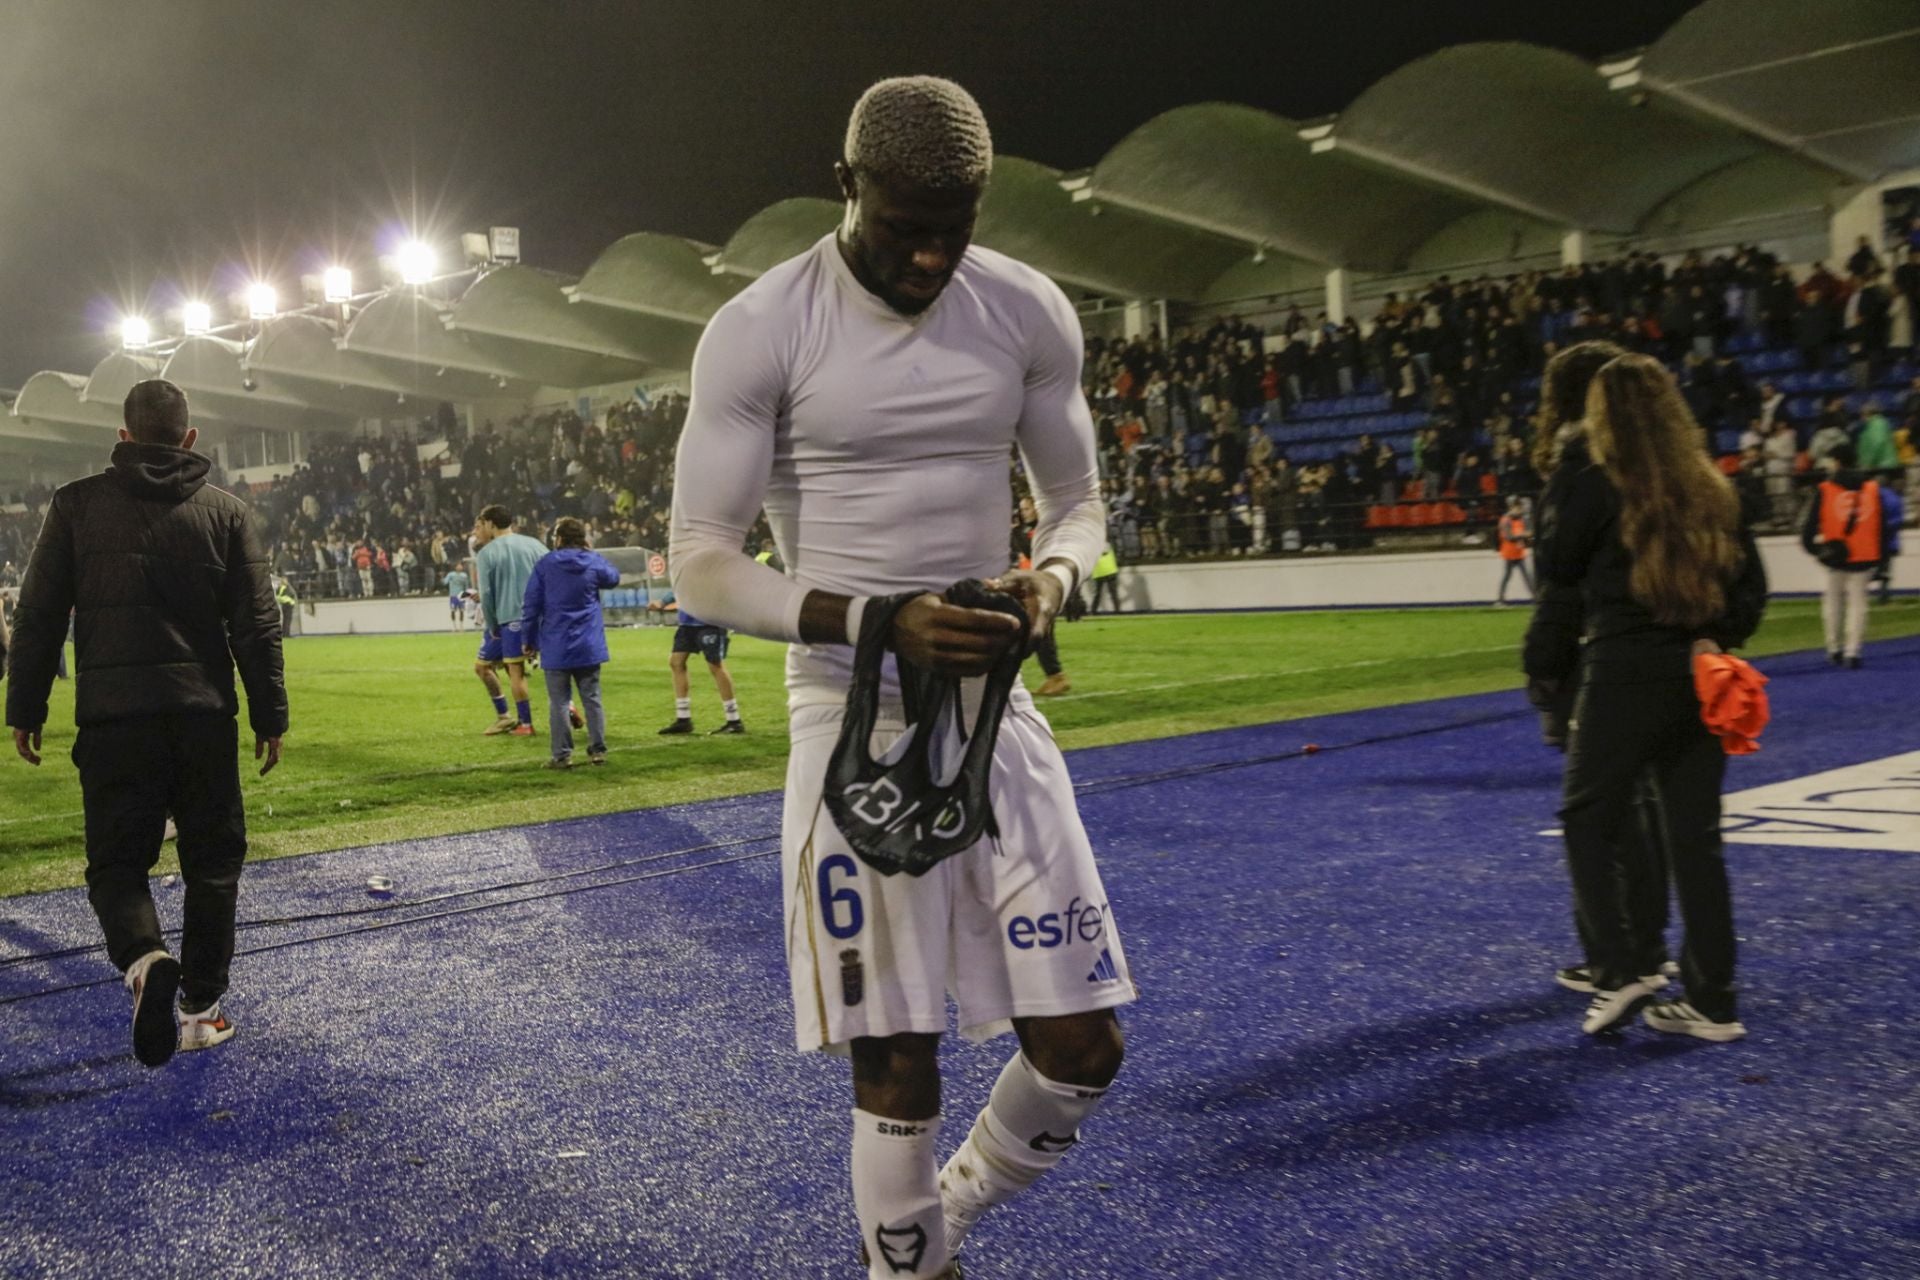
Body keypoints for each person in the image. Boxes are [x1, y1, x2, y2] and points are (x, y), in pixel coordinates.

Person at [668, 78, 1128, 1280]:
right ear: (847, 185)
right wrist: (876, 620)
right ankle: (910, 1265)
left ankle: (951, 1209)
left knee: (1084, 1046)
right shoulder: (762, 325)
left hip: (996, 715)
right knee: (898, 1056)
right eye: (902, 223)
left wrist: (1051, 583)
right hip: (848, 713)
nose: (928, 252)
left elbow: (1077, 503)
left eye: (953, 224)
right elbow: (702, 564)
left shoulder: (1026, 308)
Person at [4, 379, 286, 1067]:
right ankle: (199, 1010)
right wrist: (270, 715)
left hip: (114, 719)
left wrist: (25, 707)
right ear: (190, 439)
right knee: (213, 865)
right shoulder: (227, 512)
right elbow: (256, 625)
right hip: (203, 718)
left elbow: (38, 615)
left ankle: (142, 959)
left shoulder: (75, 505)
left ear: (123, 436)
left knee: (117, 865)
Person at [1536, 353, 1766, 1042]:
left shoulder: (1596, 482)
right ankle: (1714, 1002)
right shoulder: (1711, 486)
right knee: (1696, 841)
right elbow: (1750, 590)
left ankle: (1620, 965)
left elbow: (1556, 567)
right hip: (1700, 675)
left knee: (1586, 817)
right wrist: (1715, 637)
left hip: (1622, 668)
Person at [1524, 341, 1677, 1001]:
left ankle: (1616, 959)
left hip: (1601, 649)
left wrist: (1544, 666)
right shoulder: (1653, 463)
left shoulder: (1579, 468)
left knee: (1593, 812)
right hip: (1656, 645)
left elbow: (1560, 580)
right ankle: (1647, 946)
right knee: (1640, 805)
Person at [522, 517, 619, 768]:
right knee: (592, 698)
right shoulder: (592, 561)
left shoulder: (545, 564)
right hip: (588, 643)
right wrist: (592, 554)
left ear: (559, 538)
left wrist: (528, 639)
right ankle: (598, 751)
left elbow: (531, 605)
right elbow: (613, 578)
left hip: (556, 643)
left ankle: (562, 756)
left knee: (559, 702)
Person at [1801, 442, 1885, 668]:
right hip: (1865, 555)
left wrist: (1816, 550)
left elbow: (1808, 529)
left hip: (1835, 556)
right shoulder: (1873, 489)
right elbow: (1882, 527)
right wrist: (1882, 558)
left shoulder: (1826, 489)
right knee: (1858, 605)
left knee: (1832, 603)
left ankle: (1834, 648)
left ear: (1837, 462)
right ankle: (1853, 652)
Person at [471, 504, 548, 736]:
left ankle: (525, 724)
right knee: (482, 666)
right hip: (538, 617)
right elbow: (549, 575)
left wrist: (492, 626)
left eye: (482, 523)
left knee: (515, 670)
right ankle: (505, 717)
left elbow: (487, 594)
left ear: (491, 524)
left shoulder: (487, 553)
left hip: (509, 619)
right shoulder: (535, 544)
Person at [658, 605, 745, 735]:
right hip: (687, 623)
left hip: (710, 623)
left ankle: (734, 720)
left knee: (715, 665)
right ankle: (683, 719)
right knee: (676, 662)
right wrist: (665, 602)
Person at [1493, 496, 1533, 605]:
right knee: (1506, 577)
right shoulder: (1505, 520)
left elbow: (1529, 534)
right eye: (1518, 508)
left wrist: (1526, 536)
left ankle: (1536, 598)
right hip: (1509, 554)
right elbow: (1509, 537)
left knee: (1528, 577)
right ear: (1512, 507)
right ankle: (1500, 599)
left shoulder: (1521, 520)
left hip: (1519, 553)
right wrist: (1524, 535)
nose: (1520, 510)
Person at [1086, 542, 1121, 613]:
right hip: (1110, 570)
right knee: (1113, 593)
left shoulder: (1092, 547)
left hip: (1098, 572)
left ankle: (1093, 611)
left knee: (1097, 594)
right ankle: (1117, 611)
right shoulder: (1108, 544)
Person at [444, 563, 472, 631]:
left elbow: (466, 586)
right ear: (455, 567)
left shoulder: (464, 575)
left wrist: (467, 595)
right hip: (453, 595)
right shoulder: (451, 574)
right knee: (453, 610)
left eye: (461, 566)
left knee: (462, 610)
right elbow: (445, 582)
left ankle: (461, 626)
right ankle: (454, 626)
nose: (460, 567)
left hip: (461, 595)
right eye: (458, 565)